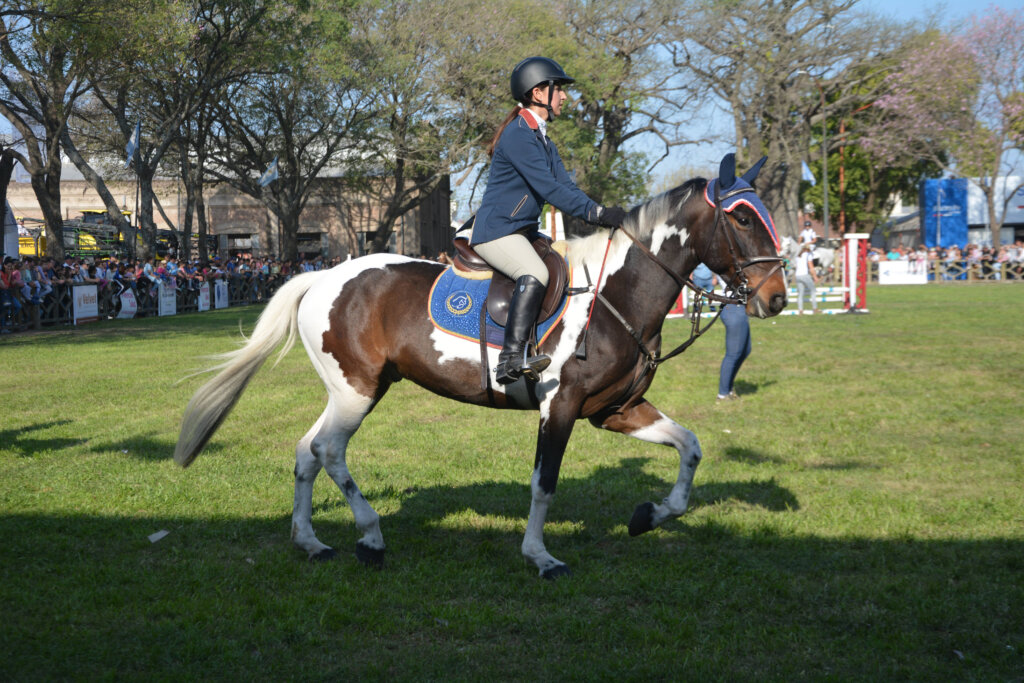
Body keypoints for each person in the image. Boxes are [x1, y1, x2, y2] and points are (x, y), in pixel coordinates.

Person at [471, 56, 627, 384]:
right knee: (535, 272)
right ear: (539, 93)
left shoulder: (542, 139)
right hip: (497, 232)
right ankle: (510, 359)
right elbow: (550, 189)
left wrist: (600, 211)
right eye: (560, 90)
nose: (565, 97)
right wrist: (597, 215)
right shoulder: (518, 135)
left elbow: (566, 187)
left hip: (522, 231)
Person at [717, 303, 751, 401]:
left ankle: (728, 389)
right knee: (733, 354)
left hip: (739, 309)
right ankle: (722, 395)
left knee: (745, 350)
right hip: (734, 309)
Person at [794, 243, 818, 314]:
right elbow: (811, 267)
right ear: (808, 249)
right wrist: (815, 276)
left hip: (797, 276)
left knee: (800, 294)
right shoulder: (808, 254)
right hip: (805, 275)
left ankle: (800, 310)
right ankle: (815, 308)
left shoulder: (797, 255)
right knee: (813, 291)